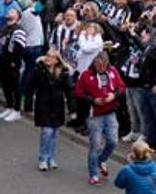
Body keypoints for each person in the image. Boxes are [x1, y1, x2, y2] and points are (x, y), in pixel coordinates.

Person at [75, 50, 126, 186]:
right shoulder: (86, 74)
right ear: (95, 63)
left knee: (113, 141)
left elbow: (121, 88)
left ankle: (101, 159)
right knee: (95, 145)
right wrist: (93, 100)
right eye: (99, 66)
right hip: (95, 114)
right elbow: (79, 93)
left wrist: (113, 96)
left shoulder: (113, 71)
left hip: (110, 112)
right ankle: (93, 174)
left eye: (104, 66)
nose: (101, 69)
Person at [30, 48, 72, 171]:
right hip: (43, 104)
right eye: (47, 55)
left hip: (57, 105)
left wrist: (72, 108)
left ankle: (51, 157)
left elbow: (69, 91)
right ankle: (43, 158)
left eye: (52, 57)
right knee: (46, 132)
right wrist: (28, 105)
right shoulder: (39, 71)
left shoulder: (63, 73)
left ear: (57, 60)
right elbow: (30, 87)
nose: (48, 58)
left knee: (54, 133)